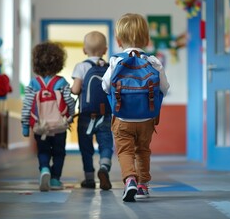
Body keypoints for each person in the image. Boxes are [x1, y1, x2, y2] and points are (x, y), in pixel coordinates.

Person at [102, 13, 170, 202]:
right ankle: (143, 185)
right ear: (147, 40)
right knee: (143, 150)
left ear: (117, 40)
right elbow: (165, 88)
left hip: (122, 118)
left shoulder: (115, 61)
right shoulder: (153, 62)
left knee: (125, 151)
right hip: (147, 118)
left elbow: (105, 85)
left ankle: (130, 179)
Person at [21, 42, 75, 192]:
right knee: (59, 152)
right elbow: (69, 101)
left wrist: (25, 126)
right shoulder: (61, 82)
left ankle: (44, 169)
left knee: (43, 151)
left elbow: (27, 107)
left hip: (40, 126)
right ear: (59, 62)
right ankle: (55, 179)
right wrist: (70, 115)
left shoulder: (33, 84)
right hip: (59, 126)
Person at [71, 31, 114, 190]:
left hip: (86, 116)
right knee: (106, 144)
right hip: (105, 116)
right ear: (105, 50)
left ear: (84, 50)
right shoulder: (109, 67)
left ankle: (89, 178)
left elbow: (75, 90)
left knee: (86, 147)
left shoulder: (81, 66)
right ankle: (104, 167)